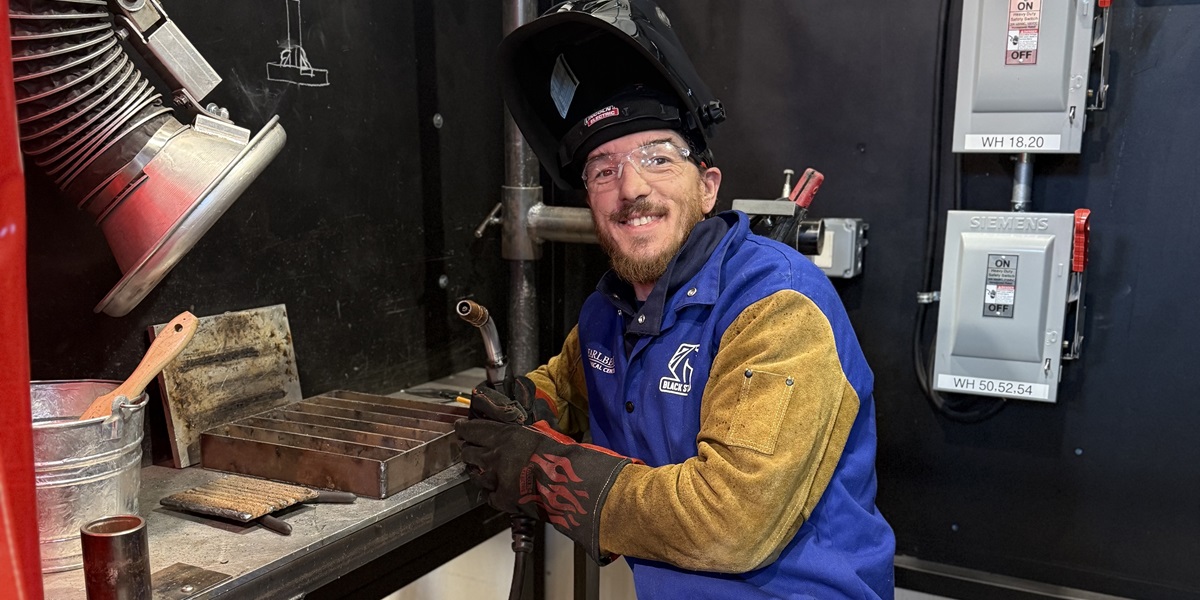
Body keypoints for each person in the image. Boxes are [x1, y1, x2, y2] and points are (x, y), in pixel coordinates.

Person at [455, 1, 895, 598]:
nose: (631, 187)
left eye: (657, 158)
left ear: (707, 186)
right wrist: (527, 401)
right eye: (603, 169)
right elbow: (573, 385)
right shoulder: (607, 314)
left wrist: (539, 470)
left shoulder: (776, 307)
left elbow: (728, 522)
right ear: (590, 201)